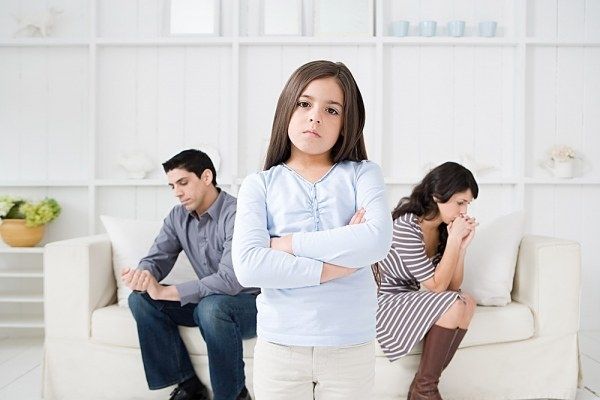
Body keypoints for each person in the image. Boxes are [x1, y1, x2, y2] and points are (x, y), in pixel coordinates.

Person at [232, 60, 393, 400]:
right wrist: (340, 266)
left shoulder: (364, 174)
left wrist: (286, 244)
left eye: (332, 110)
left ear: (346, 124)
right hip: (280, 348)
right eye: (304, 104)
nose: (315, 117)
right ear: (287, 109)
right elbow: (249, 267)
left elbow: (376, 241)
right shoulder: (258, 185)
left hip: (350, 346)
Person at [122, 149, 259, 400]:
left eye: (183, 183)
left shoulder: (239, 214)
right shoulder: (177, 216)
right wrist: (144, 275)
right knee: (140, 299)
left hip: (248, 305)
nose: (177, 192)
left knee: (211, 307)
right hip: (207, 302)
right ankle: (189, 387)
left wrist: (166, 291)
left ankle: (234, 395)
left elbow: (230, 280)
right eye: (172, 186)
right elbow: (157, 257)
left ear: (206, 177)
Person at [375, 161, 479, 400]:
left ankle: (423, 388)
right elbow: (437, 287)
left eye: (468, 204)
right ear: (436, 196)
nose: (464, 211)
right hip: (383, 300)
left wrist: (461, 247)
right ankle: (425, 391)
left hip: (407, 296)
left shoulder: (442, 229)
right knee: (454, 303)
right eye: (460, 203)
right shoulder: (406, 226)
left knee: (467, 301)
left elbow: (452, 287)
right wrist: (454, 240)